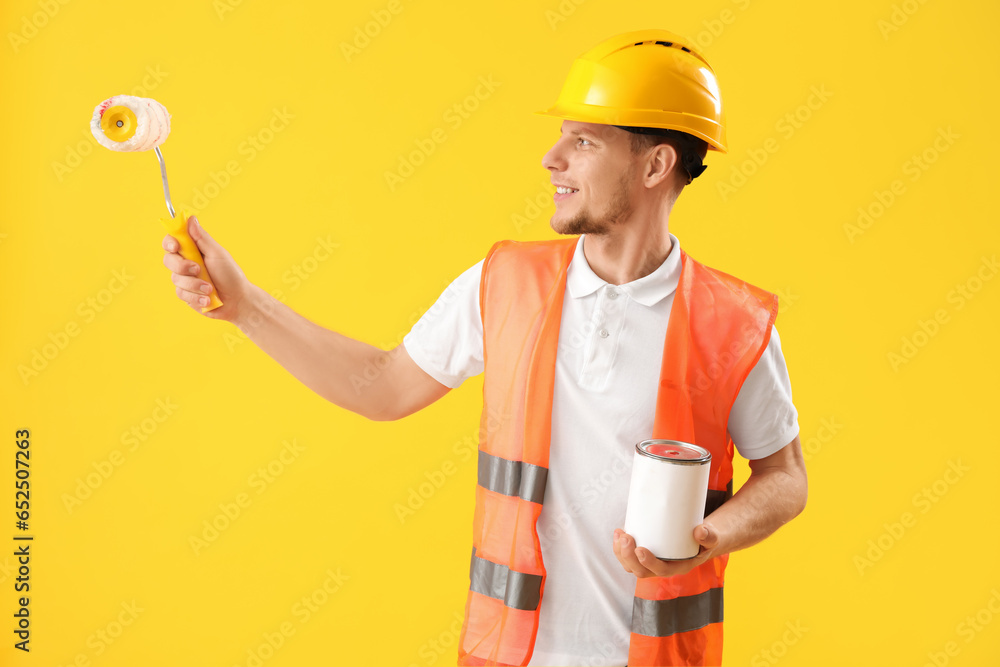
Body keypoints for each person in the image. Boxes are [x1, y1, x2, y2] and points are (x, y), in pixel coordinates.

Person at [162, 29, 807, 667]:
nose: (552, 159)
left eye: (582, 141)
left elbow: (785, 478)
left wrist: (710, 536)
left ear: (656, 164)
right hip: (510, 658)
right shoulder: (504, 284)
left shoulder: (733, 322)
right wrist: (245, 306)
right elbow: (383, 387)